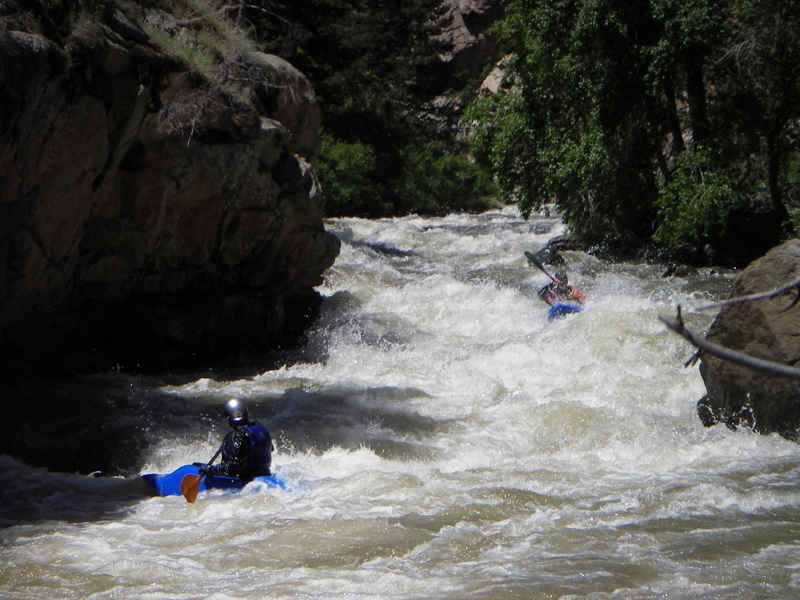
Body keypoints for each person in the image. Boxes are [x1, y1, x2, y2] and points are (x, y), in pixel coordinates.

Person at [200, 398, 273, 479]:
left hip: (247, 479)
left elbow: (233, 468)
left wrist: (211, 470)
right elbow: (271, 449)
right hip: (265, 475)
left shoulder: (237, 437)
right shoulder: (261, 430)